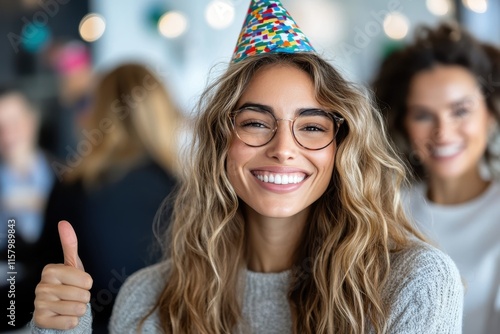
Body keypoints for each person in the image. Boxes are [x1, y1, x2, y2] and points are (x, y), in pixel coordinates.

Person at [31, 1, 464, 333]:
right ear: (221, 143)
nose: (283, 148)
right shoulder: (148, 298)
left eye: (312, 127)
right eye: (256, 123)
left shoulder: (413, 282)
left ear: (341, 147)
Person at [34, 63, 184, 333]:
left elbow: (39, 279)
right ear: (163, 112)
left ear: (98, 111)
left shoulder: (72, 188)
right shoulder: (189, 193)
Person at [371, 22, 500, 334]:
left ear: (491, 115)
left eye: (461, 111)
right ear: (403, 125)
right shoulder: (383, 213)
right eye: (423, 115)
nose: (442, 132)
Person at [0, 86, 56, 331]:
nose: (7, 133)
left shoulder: (68, 176)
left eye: (13, 122)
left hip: (54, 303)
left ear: (33, 121)